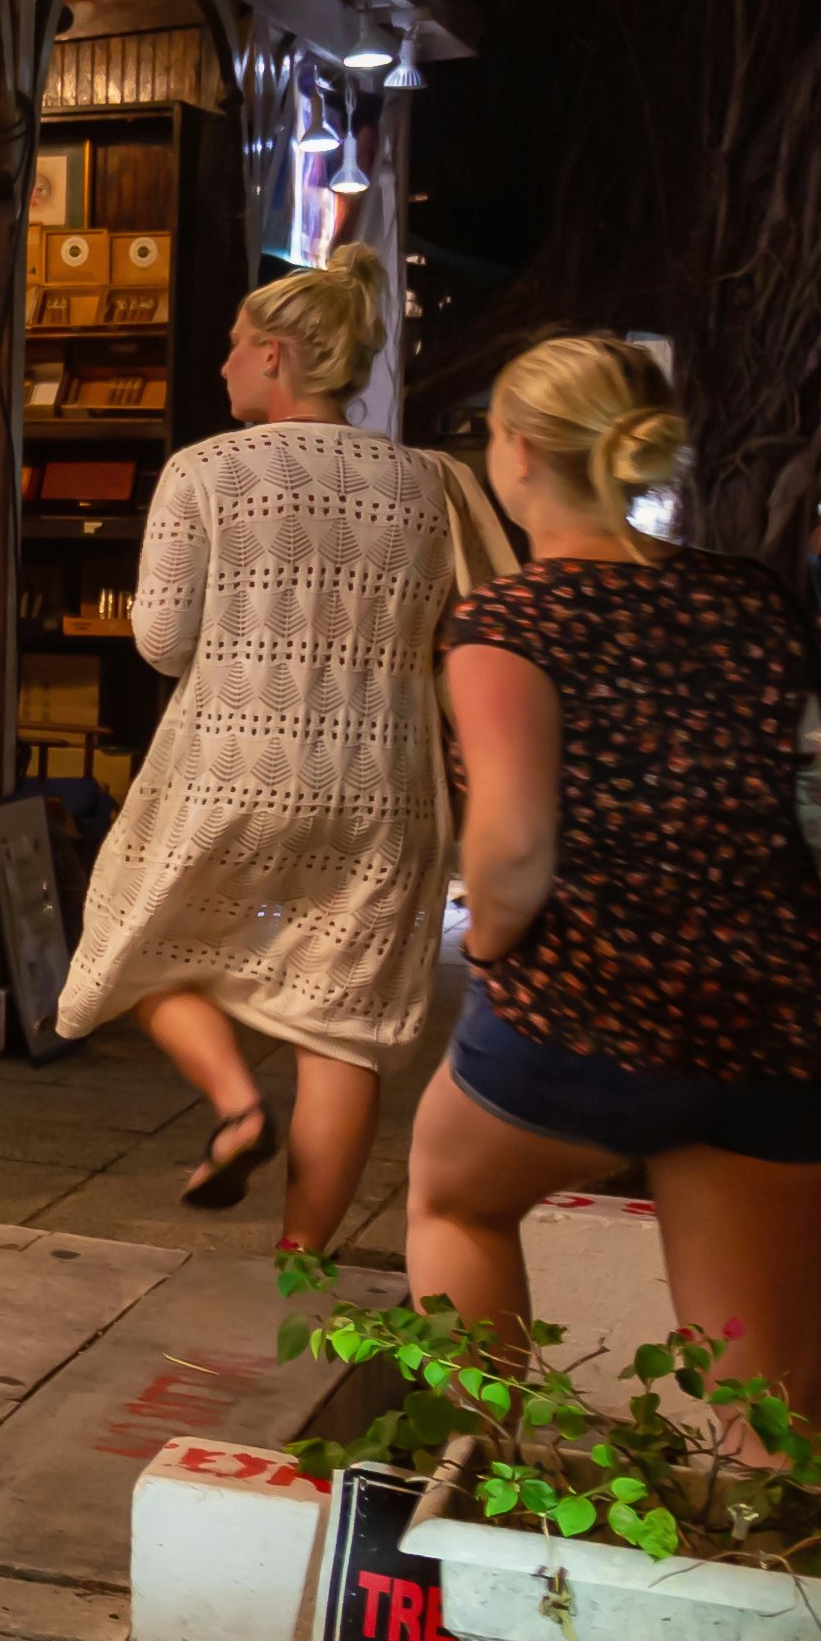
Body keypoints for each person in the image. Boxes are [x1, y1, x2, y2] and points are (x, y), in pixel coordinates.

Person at [400, 335, 821, 1416]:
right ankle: (788, 1508)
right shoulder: (758, 603)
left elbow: (512, 857)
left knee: (453, 1199)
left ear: (520, 451)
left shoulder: (513, 622)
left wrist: (489, 948)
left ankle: (487, 1462)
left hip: (584, 1022)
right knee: (770, 1406)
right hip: (779, 1030)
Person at [51, 248, 503, 1247]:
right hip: (386, 786)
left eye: (232, 346)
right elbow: (462, 634)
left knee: (134, 941)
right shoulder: (431, 483)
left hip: (231, 766)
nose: (221, 365)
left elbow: (163, 643)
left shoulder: (205, 471)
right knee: (346, 1025)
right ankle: (304, 1265)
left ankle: (237, 1107)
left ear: (274, 355)